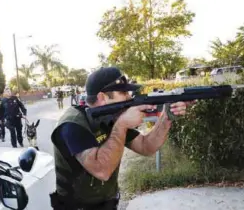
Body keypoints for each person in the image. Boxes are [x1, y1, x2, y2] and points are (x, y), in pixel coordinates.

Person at [49, 67, 192, 210]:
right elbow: (102, 171)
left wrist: (167, 116)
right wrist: (122, 124)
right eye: (123, 92)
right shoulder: (72, 125)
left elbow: (146, 146)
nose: (129, 97)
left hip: (108, 204)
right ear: (102, 97)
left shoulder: (111, 118)